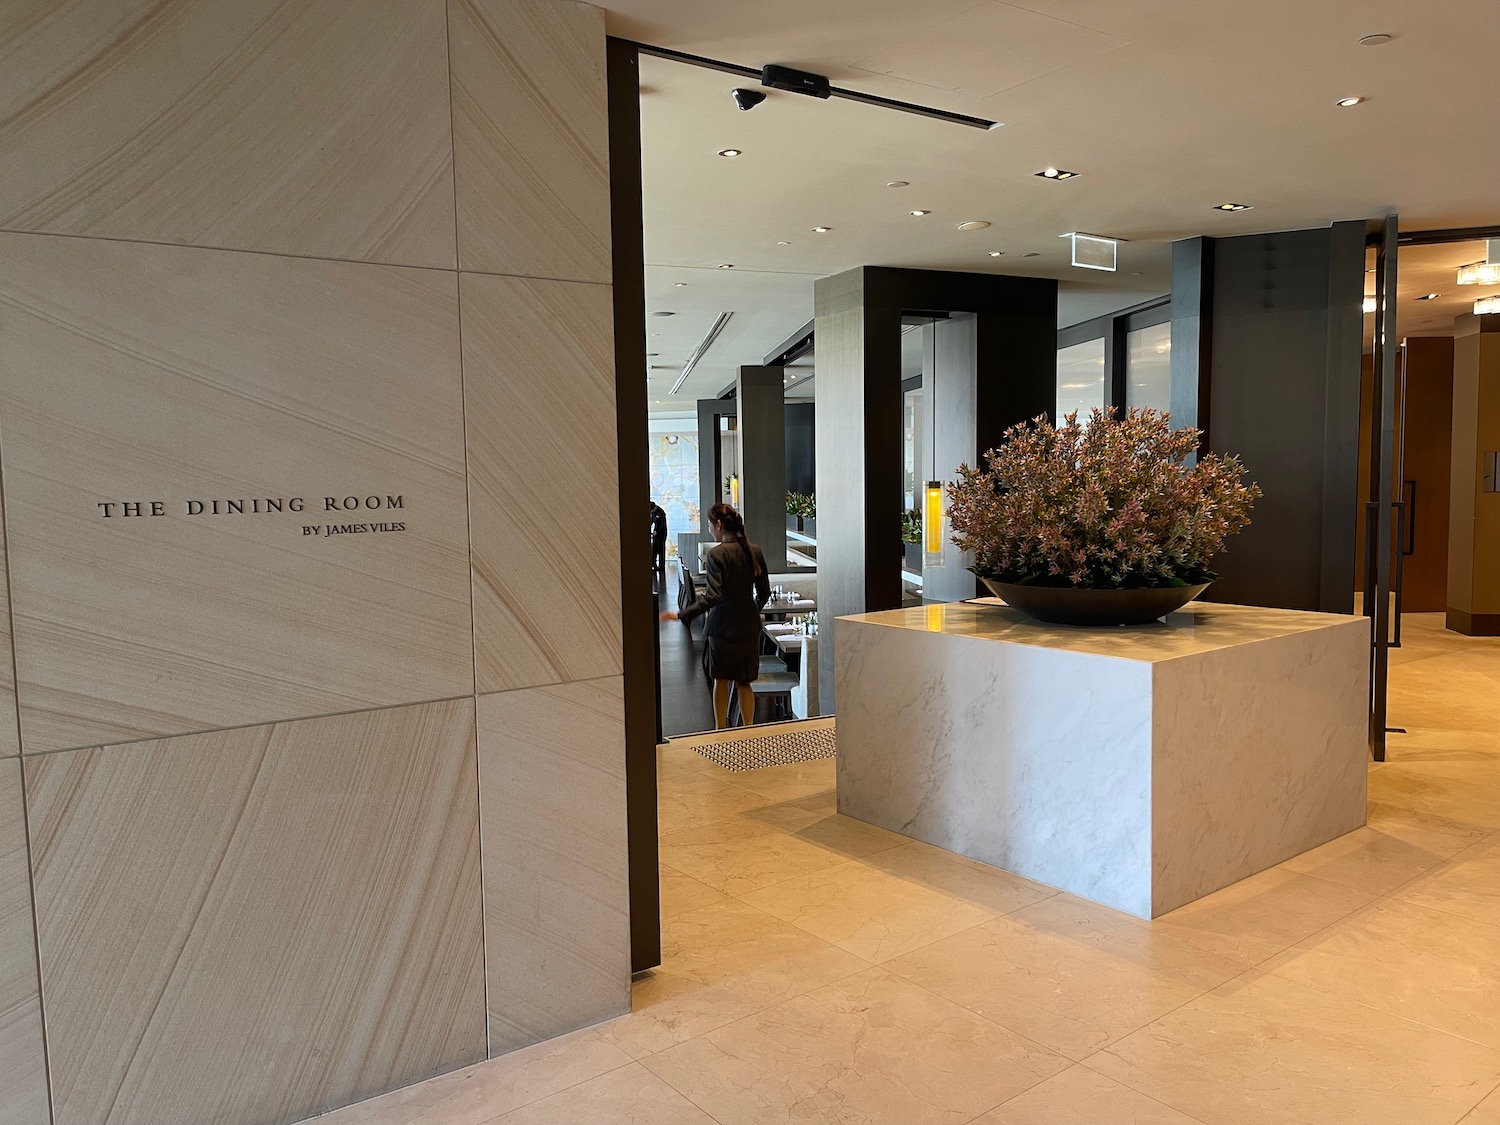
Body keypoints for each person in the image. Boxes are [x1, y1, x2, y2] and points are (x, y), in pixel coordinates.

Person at [661, 503, 770, 729]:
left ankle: (721, 730)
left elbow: (712, 597)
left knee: (721, 679)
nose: (710, 529)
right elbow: (764, 593)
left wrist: (681, 614)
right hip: (749, 627)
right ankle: (748, 730)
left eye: (710, 525)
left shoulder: (716, 554)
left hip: (722, 627)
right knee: (744, 681)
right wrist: (750, 611)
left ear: (718, 525)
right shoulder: (754, 550)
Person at [650, 500, 668, 575]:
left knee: (661, 550)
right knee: (654, 549)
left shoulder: (661, 512)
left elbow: (662, 525)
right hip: (655, 534)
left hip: (661, 534)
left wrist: (657, 531)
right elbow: (651, 521)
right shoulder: (653, 513)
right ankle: (653, 565)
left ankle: (661, 566)